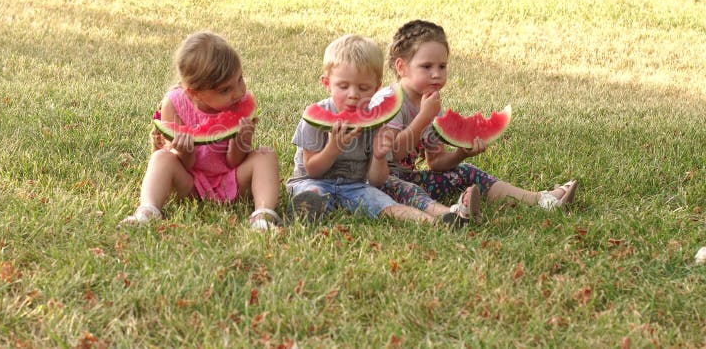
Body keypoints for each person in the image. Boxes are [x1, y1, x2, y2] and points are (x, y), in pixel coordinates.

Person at [380, 19, 577, 212]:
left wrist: (460, 153)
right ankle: (451, 214)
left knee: (465, 170)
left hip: (406, 178)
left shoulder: (431, 104)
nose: (436, 74)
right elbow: (395, 152)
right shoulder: (391, 101)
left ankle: (542, 200)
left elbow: (436, 162)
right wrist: (424, 116)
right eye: (426, 66)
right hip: (376, 182)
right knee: (407, 188)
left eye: (442, 66)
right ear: (401, 67)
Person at [286, 34, 479, 227]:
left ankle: (443, 221)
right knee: (312, 195)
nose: (353, 95)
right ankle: (307, 212)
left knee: (388, 205)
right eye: (343, 86)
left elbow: (376, 181)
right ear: (327, 83)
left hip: (356, 186)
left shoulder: (377, 122)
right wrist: (333, 148)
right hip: (312, 182)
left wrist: (379, 157)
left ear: (376, 88)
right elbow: (312, 170)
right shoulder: (314, 115)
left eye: (363, 88)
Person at [120, 31, 282, 231]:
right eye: (225, 90)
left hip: (232, 179)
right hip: (189, 184)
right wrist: (183, 152)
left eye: (240, 79)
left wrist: (242, 142)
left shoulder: (238, 103)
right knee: (161, 158)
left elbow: (233, 162)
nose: (238, 92)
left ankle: (263, 216)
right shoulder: (174, 103)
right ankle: (148, 210)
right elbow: (181, 164)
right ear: (194, 92)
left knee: (265, 155)